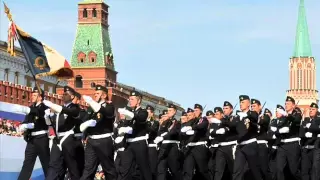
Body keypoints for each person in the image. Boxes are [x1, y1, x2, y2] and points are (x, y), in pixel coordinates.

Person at [44, 86, 82, 180]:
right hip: (57, 139)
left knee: (72, 167)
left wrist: (52, 105)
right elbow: (51, 124)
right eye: (63, 94)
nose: (63, 96)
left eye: (66, 94)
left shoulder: (75, 108)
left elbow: (68, 111)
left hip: (68, 138)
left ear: (72, 97)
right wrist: (47, 117)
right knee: (54, 166)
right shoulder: (59, 109)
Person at [80, 84, 117, 180]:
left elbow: (107, 113)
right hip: (91, 141)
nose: (95, 95)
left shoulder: (109, 106)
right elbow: (84, 120)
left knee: (108, 169)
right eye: (94, 93)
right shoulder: (91, 108)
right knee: (88, 169)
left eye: (98, 93)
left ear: (104, 95)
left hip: (104, 140)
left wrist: (91, 102)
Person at [117, 90, 152, 180]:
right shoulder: (128, 113)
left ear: (139, 100)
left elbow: (140, 118)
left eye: (132, 99)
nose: (130, 101)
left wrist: (130, 114)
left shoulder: (143, 112)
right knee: (125, 169)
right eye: (129, 99)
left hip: (139, 143)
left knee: (144, 169)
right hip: (129, 144)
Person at [17, 87, 50, 180]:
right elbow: (26, 120)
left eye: (35, 95)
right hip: (31, 140)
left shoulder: (45, 107)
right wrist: (24, 125)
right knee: (27, 164)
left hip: (42, 138)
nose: (32, 96)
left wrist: (29, 112)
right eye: (32, 95)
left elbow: (39, 113)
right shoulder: (31, 107)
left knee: (46, 163)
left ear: (40, 97)